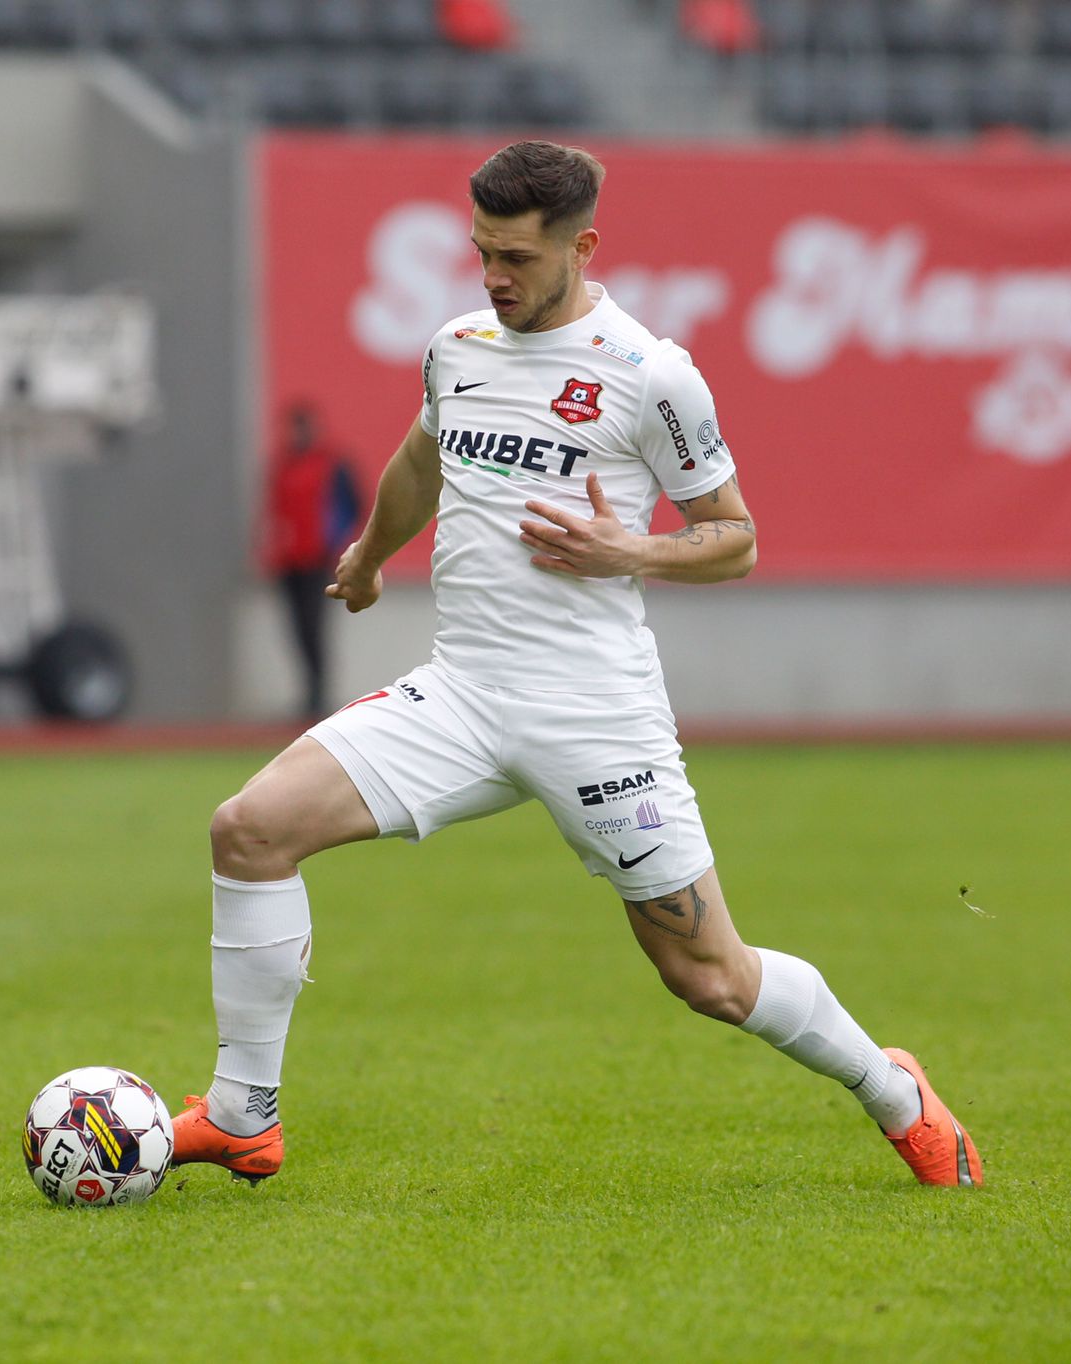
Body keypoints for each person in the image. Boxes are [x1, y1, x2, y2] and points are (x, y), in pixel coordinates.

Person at [171, 140, 982, 1191]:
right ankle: (243, 1114)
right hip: (459, 693)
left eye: (512, 255)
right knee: (247, 828)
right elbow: (422, 458)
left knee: (707, 974)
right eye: (479, 251)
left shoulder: (651, 375)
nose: (491, 275)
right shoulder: (455, 346)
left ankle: (894, 1091)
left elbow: (733, 538)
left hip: (593, 715)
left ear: (581, 245)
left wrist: (628, 549)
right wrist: (371, 554)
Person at [265, 403, 361, 718]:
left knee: (315, 628)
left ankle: (319, 695)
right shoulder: (283, 464)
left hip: (317, 561)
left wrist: (332, 543)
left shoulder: (332, 464)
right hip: (288, 562)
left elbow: (353, 506)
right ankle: (308, 694)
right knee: (296, 630)